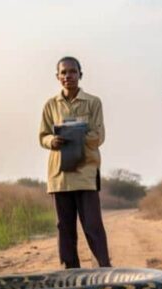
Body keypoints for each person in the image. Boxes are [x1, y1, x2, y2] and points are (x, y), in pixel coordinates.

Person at [38, 56, 111, 269]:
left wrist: (76, 135)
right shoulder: (50, 105)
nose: (68, 76)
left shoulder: (93, 102)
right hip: (59, 174)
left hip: (86, 171)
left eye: (72, 72)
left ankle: (104, 269)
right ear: (57, 76)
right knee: (65, 227)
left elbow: (99, 136)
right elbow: (42, 136)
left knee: (92, 225)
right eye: (63, 72)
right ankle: (70, 273)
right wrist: (53, 140)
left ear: (80, 74)